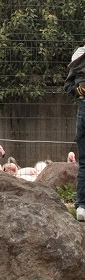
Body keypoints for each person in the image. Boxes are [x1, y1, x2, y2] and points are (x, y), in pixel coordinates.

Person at [64, 43, 85, 222]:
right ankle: (81, 206)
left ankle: (81, 206)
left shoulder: (78, 56)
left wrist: (77, 91)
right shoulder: (79, 55)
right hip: (83, 109)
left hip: (82, 109)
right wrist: (78, 92)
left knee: (84, 162)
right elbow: (70, 86)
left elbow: (68, 85)